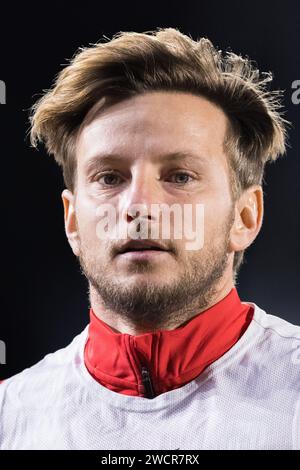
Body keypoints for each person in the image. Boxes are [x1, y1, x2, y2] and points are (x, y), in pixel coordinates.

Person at [1, 27, 299, 450]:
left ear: (244, 216)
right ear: (72, 221)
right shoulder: (9, 417)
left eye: (180, 176)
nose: (139, 205)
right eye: (109, 177)